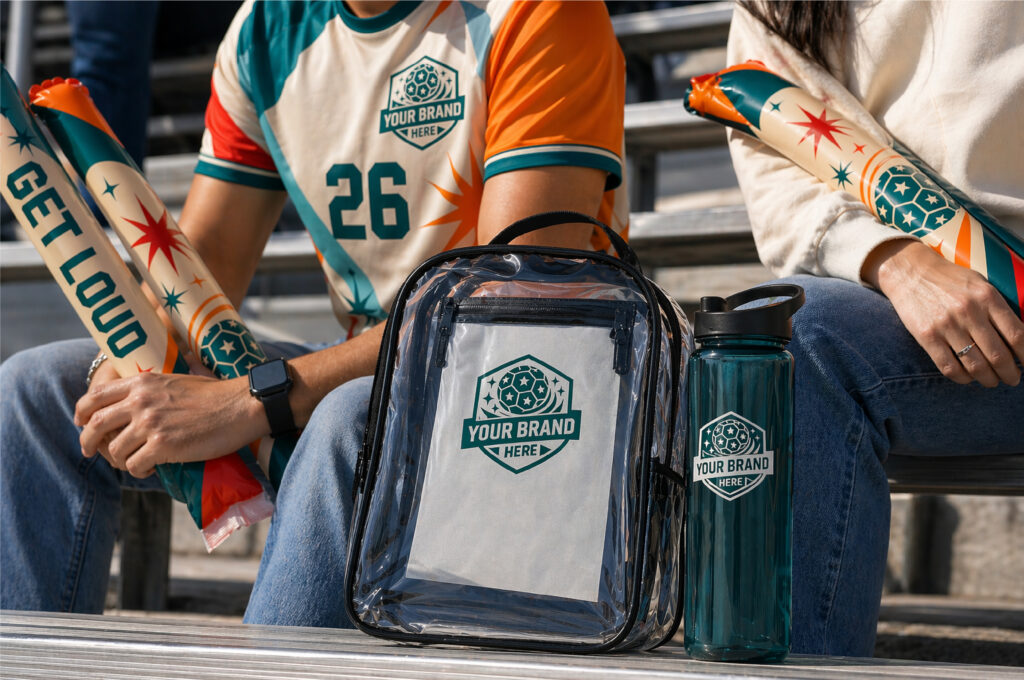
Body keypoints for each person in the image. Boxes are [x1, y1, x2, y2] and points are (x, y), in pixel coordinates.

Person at [0, 0, 628, 624]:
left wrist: (252, 401)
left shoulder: (541, 10)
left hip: (543, 405)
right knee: (39, 392)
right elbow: (203, 268)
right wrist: (130, 363)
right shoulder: (264, 28)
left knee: (348, 418)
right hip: (366, 385)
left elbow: (508, 306)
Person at [727, 0, 1024, 657]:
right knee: (787, 338)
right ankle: (803, 667)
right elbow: (775, 164)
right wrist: (897, 261)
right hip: (919, 308)